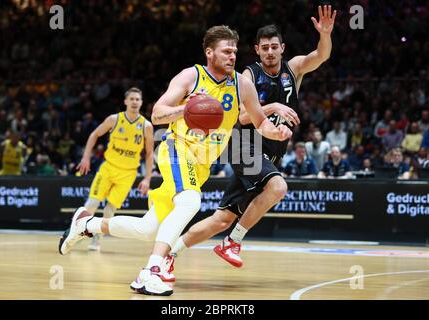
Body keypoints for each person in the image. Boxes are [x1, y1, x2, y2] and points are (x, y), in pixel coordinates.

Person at [58, 25, 292, 296]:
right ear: (209, 52)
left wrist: (275, 130)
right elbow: (157, 114)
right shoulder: (191, 76)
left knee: (148, 228)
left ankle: (85, 224)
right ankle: (151, 272)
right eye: (226, 51)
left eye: (234, 52)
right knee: (191, 201)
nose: (232, 56)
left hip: (202, 164)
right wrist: (188, 107)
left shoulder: (242, 84)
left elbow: (259, 121)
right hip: (176, 149)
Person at [168, 5, 336, 272]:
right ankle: (232, 243)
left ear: (282, 48)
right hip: (242, 147)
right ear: (257, 50)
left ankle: (169, 254)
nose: (269, 51)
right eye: (264, 47)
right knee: (278, 187)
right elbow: (243, 116)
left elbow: (321, 55)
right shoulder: (248, 75)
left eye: (274, 46)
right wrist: (272, 108)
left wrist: (325, 34)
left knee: (222, 218)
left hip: (269, 152)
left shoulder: (293, 69)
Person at [70, 87, 154, 251]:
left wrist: (147, 178)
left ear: (141, 102)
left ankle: (96, 240)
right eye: (132, 99)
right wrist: (86, 157)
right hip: (108, 168)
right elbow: (94, 135)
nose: (135, 102)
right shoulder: (114, 119)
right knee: (92, 203)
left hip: (128, 173)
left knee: (110, 210)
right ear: (125, 102)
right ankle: (76, 234)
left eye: (138, 99)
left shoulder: (146, 126)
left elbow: (150, 153)